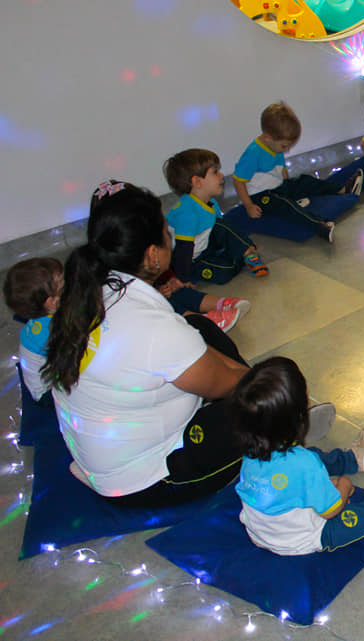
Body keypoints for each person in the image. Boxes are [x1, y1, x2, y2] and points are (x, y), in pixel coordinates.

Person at [42, 180, 250, 507]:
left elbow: (183, 346)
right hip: (147, 480)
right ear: (152, 256)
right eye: (168, 233)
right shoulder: (151, 327)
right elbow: (228, 385)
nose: (171, 236)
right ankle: (282, 420)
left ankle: (262, 395)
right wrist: (264, 390)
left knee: (196, 325)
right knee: (273, 391)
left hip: (102, 457)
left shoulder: (87, 289)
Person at [232, 357, 364, 555]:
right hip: (303, 539)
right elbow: (330, 510)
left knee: (310, 456)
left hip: (258, 531)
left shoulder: (250, 449)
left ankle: (354, 459)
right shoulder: (304, 463)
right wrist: (344, 486)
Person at [233, 102, 363, 243]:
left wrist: (289, 186)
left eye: (288, 146)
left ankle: (343, 189)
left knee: (304, 181)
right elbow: (238, 181)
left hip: (279, 187)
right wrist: (248, 205)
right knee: (286, 206)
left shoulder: (275, 147)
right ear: (268, 138)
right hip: (262, 196)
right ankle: (319, 225)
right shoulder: (253, 154)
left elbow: (282, 169)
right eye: (284, 146)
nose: (287, 150)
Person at [163, 148, 269, 282]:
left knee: (222, 224)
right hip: (189, 260)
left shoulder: (211, 202)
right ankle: (239, 256)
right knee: (224, 273)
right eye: (215, 172)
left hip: (204, 245)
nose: (221, 175)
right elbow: (183, 251)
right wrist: (183, 280)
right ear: (197, 182)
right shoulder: (187, 214)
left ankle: (248, 253)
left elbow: (222, 230)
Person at [3, 257, 63, 404]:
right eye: (63, 284)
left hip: (40, 374)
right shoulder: (52, 329)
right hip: (46, 393)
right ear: (51, 302)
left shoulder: (41, 316)